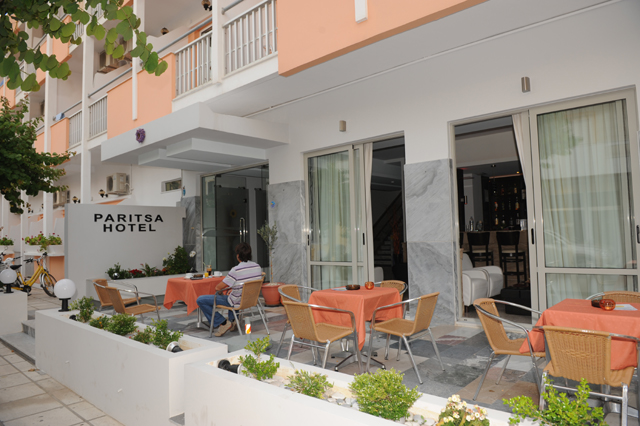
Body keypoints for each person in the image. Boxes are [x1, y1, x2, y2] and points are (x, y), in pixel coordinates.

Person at [196, 243, 262, 337]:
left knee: (201, 300)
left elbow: (218, 287)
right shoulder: (257, 267)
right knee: (232, 294)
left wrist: (229, 290)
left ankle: (223, 323)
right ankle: (233, 320)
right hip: (250, 300)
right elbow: (246, 284)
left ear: (238, 256)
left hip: (237, 301)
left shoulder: (236, 270)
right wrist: (234, 289)